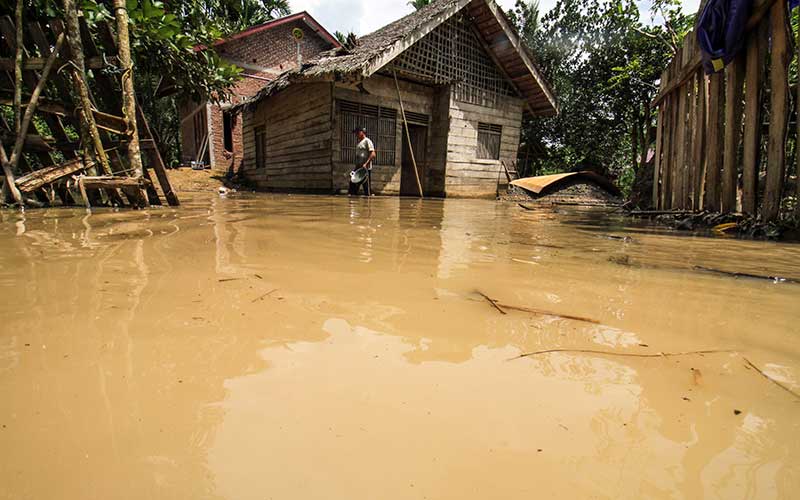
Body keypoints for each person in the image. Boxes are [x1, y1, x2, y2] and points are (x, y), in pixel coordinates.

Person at [349, 127, 376, 196]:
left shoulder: (367, 141)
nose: (356, 134)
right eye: (355, 133)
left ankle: (368, 203)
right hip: (358, 168)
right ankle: (352, 203)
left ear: (362, 132)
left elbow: (373, 154)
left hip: (365, 169)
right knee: (352, 185)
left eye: (357, 133)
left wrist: (366, 164)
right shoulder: (359, 143)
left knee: (366, 189)